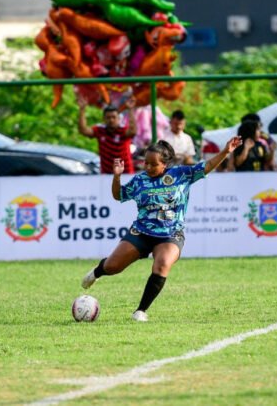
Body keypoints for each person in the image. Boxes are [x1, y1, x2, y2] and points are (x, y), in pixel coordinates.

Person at [80, 137, 243, 322]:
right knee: (112, 266)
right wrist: (117, 176)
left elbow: (208, 165)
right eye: (146, 163)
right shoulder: (139, 180)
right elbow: (119, 195)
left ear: (164, 164)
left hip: (170, 233)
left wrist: (226, 151)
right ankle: (97, 272)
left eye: (153, 164)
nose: (148, 167)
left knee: (163, 263)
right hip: (141, 232)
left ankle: (140, 311)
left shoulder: (181, 174)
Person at [77, 97, 137, 174]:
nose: (111, 120)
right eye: (108, 117)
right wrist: (82, 110)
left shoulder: (123, 130)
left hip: (125, 172)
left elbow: (133, 132)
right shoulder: (100, 130)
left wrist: (130, 110)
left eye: (114, 117)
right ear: (104, 119)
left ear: (118, 118)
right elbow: (83, 130)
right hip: (107, 174)